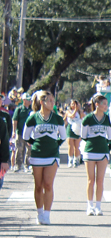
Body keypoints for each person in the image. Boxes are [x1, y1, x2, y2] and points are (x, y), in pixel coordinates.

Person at [78, 65, 111, 216]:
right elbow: (84, 135)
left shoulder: (107, 119)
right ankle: (89, 205)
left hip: (103, 152)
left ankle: (98, 206)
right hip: (90, 151)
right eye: (103, 103)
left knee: (100, 180)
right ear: (96, 104)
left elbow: (109, 136)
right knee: (91, 180)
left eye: (106, 103)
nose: (105, 105)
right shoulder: (88, 118)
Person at [23, 91, 67, 225]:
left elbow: (63, 137)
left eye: (53, 101)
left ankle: (47, 214)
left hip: (52, 155)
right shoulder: (33, 117)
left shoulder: (57, 118)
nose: (52, 103)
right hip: (37, 155)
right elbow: (26, 137)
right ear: (41, 102)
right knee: (38, 185)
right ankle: (40, 213)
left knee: (48, 184)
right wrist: (36, 144)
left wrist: (55, 145)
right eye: (49, 101)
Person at [11, 93, 31, 173]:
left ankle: (27, 165)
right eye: (28, 99)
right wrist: (14, 131)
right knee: (19, 149)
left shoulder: (31, 110)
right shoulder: (19, 109)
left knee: (29, 150)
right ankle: (18, 165)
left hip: (29, 134)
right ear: (24, 100)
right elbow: (15, 120)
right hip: (20, 133)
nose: (29, 101)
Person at [63, 100, 84, 168]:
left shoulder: (80, 111)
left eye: (75, 104)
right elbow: (71, 116)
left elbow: (82, 117)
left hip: (77, 129)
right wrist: (75, 110)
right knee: (70, 146)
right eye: (72, 104)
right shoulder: (68, 111)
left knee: (76, 146)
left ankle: (76, 160)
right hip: (70, 128)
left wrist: (79, 110)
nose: (74, 105)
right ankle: (70, 160)